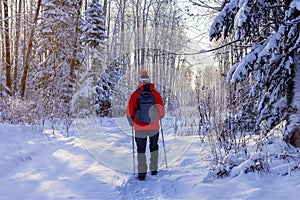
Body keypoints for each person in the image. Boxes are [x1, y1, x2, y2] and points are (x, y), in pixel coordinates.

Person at [126, 70, 165, 181]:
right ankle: (153, 169)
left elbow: (129, 110)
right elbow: (161, 111)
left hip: (139, 127)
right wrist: (158, 118)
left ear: (139, 80)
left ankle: (142, 173)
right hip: (154, 126)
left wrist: (131, 122)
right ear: (149, 80)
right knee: (154, 147)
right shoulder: (156, 94)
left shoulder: (135, 94)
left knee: (141, 149)